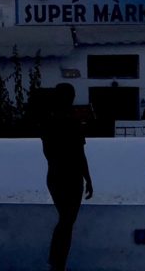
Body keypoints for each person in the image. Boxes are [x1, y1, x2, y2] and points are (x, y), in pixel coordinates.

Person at [41, 83, 93, 271]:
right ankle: (56, 262)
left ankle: (57, 262)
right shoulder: (72, 122)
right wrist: (88, 178)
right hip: (70, 177)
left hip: (56, 175)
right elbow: (80, 154)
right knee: (67, 221)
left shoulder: (49, 121)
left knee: (66, 220)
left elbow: (48, 151)